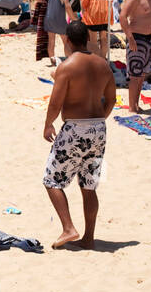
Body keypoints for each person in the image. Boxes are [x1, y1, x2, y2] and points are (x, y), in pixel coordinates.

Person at [42, 21, 117, 248]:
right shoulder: (103, 65)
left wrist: (48, 124)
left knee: (52, 180)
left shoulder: (67, 67)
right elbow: (112, 98)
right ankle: (89, 237)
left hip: (75, 128)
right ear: (87, 40)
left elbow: (55, 103)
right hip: (98, 128)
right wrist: (99, 118)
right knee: (89, 185)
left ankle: (68, 228)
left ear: (67, 41)